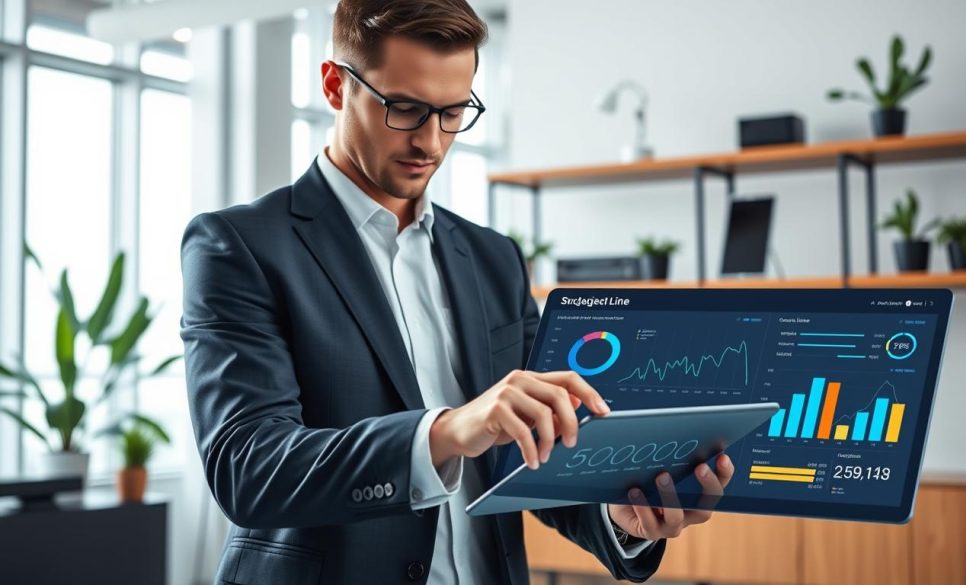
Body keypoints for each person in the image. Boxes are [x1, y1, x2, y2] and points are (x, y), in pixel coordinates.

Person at [180, 1, 734, 583]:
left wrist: (620, 519)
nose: (431, 140)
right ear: (335, 86)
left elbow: (533, 456)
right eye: (406, 108)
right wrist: (447, 432)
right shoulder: (239, 245)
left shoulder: (494, 259)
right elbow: (248, 468)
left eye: (453, 112)